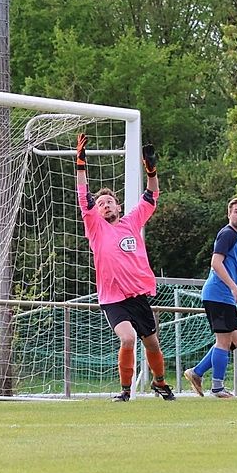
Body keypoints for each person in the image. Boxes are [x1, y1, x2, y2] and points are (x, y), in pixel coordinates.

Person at [75, 133, 174, 402]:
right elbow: (84, 196)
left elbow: (152, 196)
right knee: (128, 338)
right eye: (101, 203)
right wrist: (80, 165)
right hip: (112, 298)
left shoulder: (131, 223)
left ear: (118, 206)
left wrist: (152, 171)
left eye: (110, 202)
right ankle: (126, 390)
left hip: (137, 295)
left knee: (152, 342)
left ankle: (160, 383)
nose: (105, 205)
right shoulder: (95, 228)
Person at [184, 198, 237, 398]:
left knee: (235, 340)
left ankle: (196, 372)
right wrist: (234, 288)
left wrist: (235, 292)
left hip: (225, 297)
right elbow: (216, 262)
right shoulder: (228, 234)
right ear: (229, 214)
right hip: (217, 294)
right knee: (223, 341)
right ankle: (218, 387)